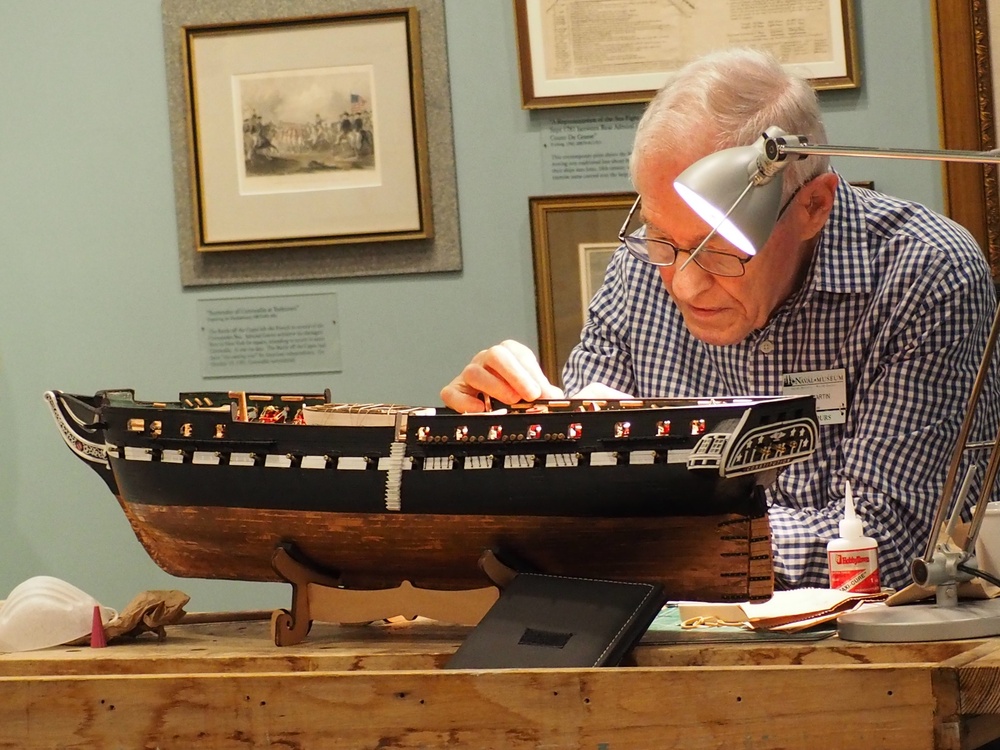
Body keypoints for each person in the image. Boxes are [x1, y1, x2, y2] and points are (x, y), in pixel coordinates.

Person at [440, 47, 1000, 591]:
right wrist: (500, 433)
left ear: (814, 206)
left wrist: (645, 532)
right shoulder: (639, 273)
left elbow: (898, 540)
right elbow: (578, 489)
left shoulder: (924, 274)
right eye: (661, 238)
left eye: (720, 248)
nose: (685, 283)